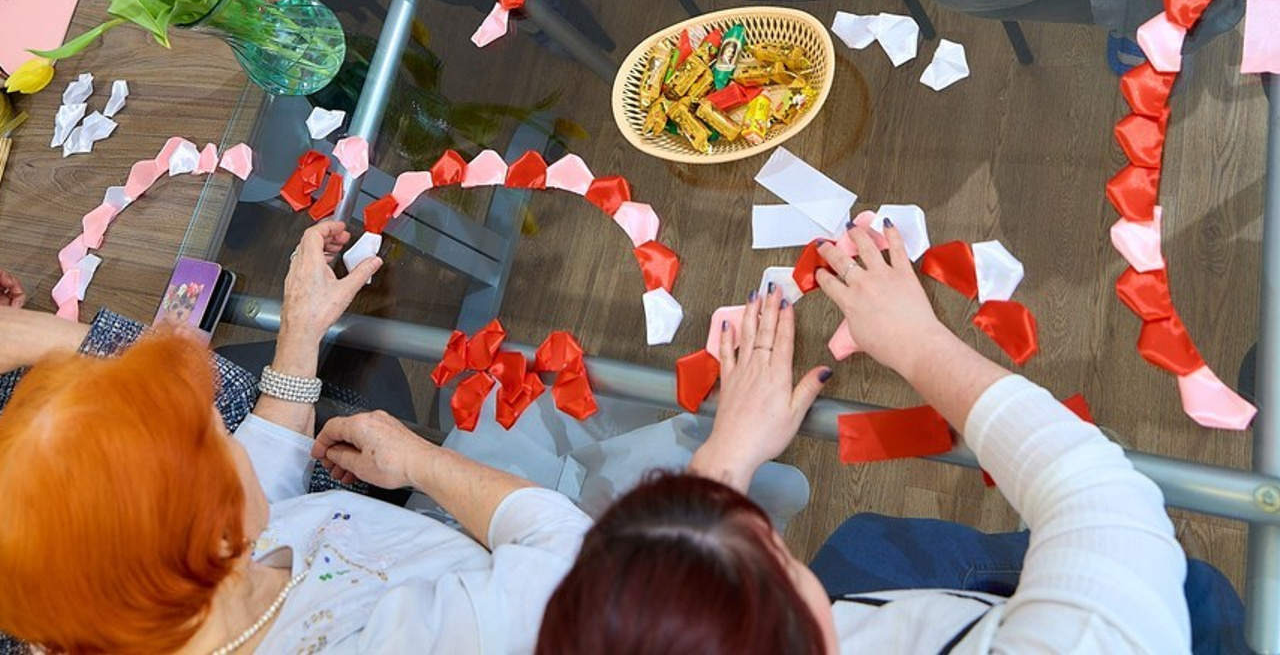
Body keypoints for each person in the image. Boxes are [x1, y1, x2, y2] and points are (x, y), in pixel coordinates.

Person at [538, 226, 1195, 653]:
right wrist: (916, 342)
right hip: (1156, 614)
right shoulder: (1085, 641)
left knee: (861, 543)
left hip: (894, 603)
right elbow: (1101, 496)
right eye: (771, 543)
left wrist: (725, 460)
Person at [0, 220, 592, 652]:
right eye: (216, 434)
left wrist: (301, 327)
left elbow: (268, 491)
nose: (231, 431)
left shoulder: (193, 593)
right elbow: (577, 564)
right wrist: (420, 461)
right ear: (216, 524)